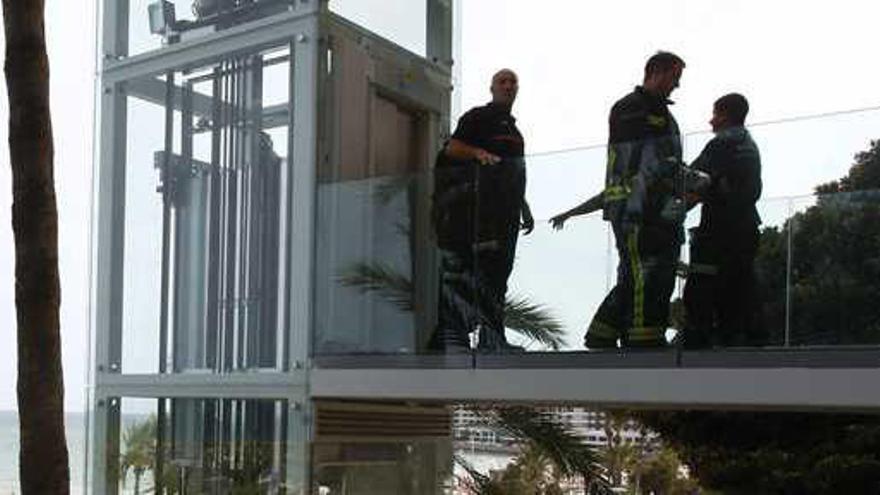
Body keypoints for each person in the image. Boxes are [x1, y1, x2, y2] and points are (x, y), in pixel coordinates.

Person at [583, 51, 686, 348]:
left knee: (637, 274)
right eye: (675, 78)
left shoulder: (666, 116)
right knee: (646, 272)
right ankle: (644, 339)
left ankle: (602, 333)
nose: (677, 86)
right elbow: (639, 159)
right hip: (635, 208)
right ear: (657, 72)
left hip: (657, 209)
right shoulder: (630, 109)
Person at [430, 68, 534, 353]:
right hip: (473, 215)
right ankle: (452, 336)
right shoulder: (478, 117)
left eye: (513, 81)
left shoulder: (513, 131)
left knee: (497, 277)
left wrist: (523, 206)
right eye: (503, 81)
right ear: (492, 88)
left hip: (504, 216)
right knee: (461, 274)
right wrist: (478, 153)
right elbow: (452, 148)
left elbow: (512, 173)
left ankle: (491, 338)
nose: (509, 85)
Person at [682, 93, 763, 349]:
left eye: (715, 114)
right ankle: (739, 339)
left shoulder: (723, 143)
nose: (711, 121)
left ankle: (699, 340)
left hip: (719, 231)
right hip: (746, 227)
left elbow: (696, 181)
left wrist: (671, 210)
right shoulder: (747, 143)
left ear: (725, 115)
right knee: (739, 287)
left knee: (701, 285)